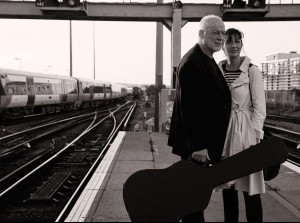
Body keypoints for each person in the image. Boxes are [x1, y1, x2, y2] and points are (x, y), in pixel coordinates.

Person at [167, 15, 232, 222]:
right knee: (193, 202)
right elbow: (190, 108)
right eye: (215, 32)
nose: (221, 37)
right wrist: (198, 146)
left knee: (195, 199)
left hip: (204, 146)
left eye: (223, 32)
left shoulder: (207, 59)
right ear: (201, 34)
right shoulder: (192, 62)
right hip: (196, 149)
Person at [217, 28, 266, 222]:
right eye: (229, 41)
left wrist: (255, 137)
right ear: (223, 45)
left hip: (246, 134)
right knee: (228, 190)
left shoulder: (252, 70)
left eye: (237, 41)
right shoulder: (217, 70)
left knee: (250, 190)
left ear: (242, 44)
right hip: (224, 134)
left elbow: (259, 108)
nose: (234, 45)